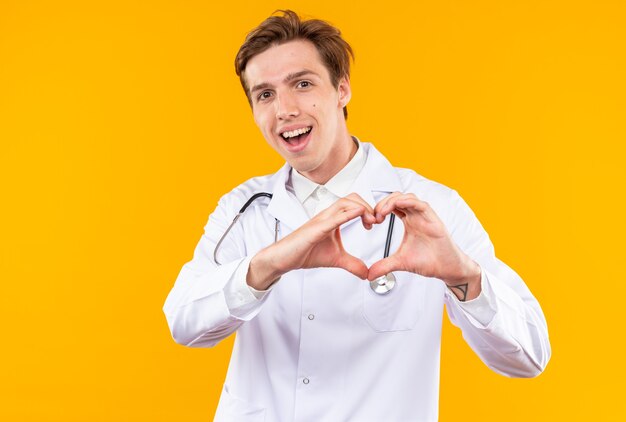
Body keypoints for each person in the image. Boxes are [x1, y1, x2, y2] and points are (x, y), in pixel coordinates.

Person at [163, 10, 551, 422]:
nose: (285, 110)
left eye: (303, 84)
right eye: (265, 95)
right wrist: (269, 264)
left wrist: (465, 278)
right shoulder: (245, 208)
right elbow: (184, 323)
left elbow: (529, 357)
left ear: (342, 89)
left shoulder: (431, 206)